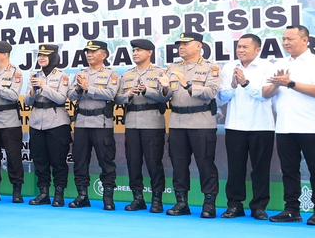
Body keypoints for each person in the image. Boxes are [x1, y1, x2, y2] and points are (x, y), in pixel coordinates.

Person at [263, 24, 315, 224]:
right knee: (289, 170)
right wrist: (277, 83)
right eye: (284, 39)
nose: (286, 43)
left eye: (290, 39)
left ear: (305, 40)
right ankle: (291, 209)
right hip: (285, 125)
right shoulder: (280, 63)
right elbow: (266, 93)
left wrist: (291, 83)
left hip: (312, 125)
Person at [217, 34, 275, 219]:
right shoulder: (229, 67)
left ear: (258, 49)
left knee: (260, 168)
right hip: (235, 125)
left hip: (262, 125)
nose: (240, 50)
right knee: (235, 168)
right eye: (239, 47)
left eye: (245, 47)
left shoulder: (268, 67)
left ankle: (259, 207)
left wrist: (245, 83)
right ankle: (235, 205)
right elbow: (222, 98)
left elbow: (265, 95)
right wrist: (234, 85)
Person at [163, 32, 221, 217]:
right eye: (179, 44)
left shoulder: (210, 68)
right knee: (179, 164)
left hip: (201, 121)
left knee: (205, 163)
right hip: (177, 121)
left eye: (186, 44)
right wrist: (164, 87)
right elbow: (165, 95)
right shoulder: (172, 68)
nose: (181, 46)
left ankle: (209, 203)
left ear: (199, 46)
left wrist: (188, 85)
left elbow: (211, 92)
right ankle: (181, 202)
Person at [68, 40, 121, 210]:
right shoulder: (81, 73)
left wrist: (88, 88)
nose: (89, 54)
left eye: (93, 51)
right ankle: (82, 195)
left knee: (106, 161)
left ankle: (108, 197)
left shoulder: (111, 75)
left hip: (101, 123)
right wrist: (78, 88)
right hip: (82, 122)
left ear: (104, 55)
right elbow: (70, 95)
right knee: (80, 160)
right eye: (87, 52)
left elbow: (111, 93)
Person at [118, 39, 168, 213]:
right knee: (133, 162)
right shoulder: (127, 75)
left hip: (152, 122)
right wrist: (128, 95)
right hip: (132, 122)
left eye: (139, 50)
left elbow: (165, 97)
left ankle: (157, 199)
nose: (135, 53)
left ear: (149, 53)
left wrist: (147, 91)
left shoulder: (160, 73)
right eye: (134, 51)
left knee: (154, 162)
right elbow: (118, 98)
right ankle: (137, 198)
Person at [27, 44, 71, 207]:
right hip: (37, 121)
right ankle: (43, 193)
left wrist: (44, 87)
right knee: (40, 159)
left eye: (45, 55)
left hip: (57, 122)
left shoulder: (62, 76)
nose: (41, 58)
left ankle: (59, 193)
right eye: (39, 55)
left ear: (53, 57)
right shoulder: (34, 75)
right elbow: (28, 102)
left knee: (58, 160)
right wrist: (32, 90)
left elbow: (61, 99)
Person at [0, 41, 25, 203]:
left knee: (13, 156)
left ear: (4, 54)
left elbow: (13, 96)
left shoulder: (15, 72)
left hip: (9, 120)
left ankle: (17, 189)